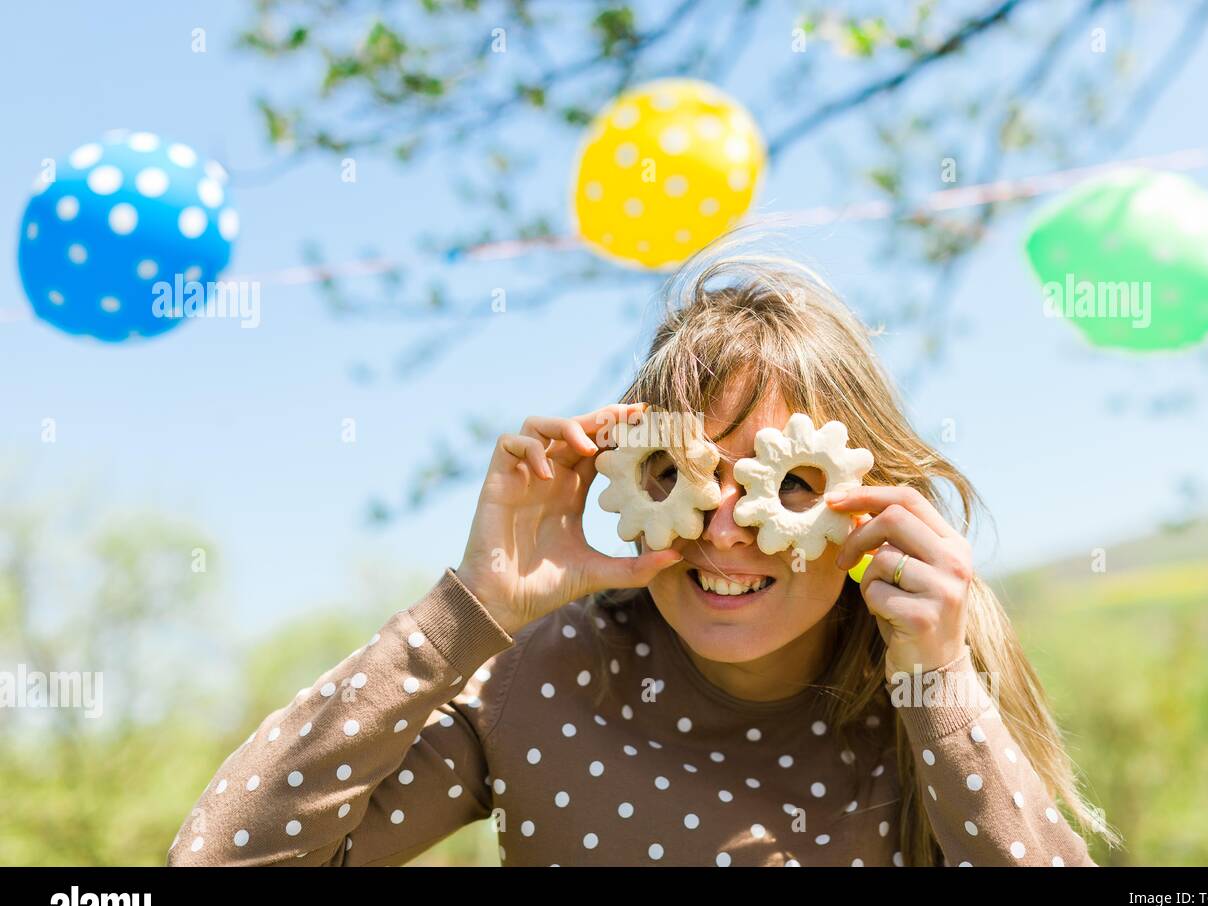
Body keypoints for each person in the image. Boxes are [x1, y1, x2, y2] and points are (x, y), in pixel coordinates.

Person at [167, 249, 1116, 867]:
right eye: (681, 474)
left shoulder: (916, 701)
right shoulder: (540, 679)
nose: (725, 529)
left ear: (871, 505)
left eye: (786, 485)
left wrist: (943, 688)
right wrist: (469, 610)